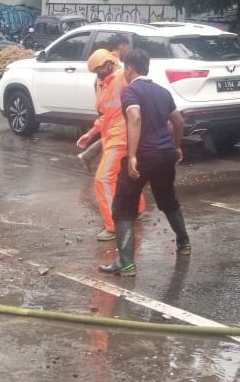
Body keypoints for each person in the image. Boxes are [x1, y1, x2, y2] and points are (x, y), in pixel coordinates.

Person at [99, 50, 191, 276]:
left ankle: (126, 262)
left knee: (122, 208)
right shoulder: (162, 91)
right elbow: (178, 121)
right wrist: (177, 146)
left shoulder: (130, 90)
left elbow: (135, 117)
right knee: (168, 199)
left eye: (125, 69)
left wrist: (132, 155)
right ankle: (184, 243)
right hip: (165, 155)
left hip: (143, 157)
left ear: (129, 69)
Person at [77, 50, 146, 241]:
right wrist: (91, 133)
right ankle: (137, 209)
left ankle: (114, 225)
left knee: (103, 179)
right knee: (124, 177)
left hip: (121, 137)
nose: (97, 74)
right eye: (95, 72)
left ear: (109, 63)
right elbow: (106, 115)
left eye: (99, 70)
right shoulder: (102, 82)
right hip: (112, 136)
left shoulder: (122, 76)